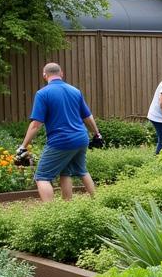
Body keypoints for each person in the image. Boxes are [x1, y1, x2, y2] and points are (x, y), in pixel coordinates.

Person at [18, 62, 102, 202]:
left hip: (61, 141)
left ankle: (51, 214)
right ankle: (95, 202)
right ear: (61, 73)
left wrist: (23, 146)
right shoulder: (75, 91)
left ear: (45, 75)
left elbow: (36, 124)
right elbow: (88, 116)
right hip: (81, 138)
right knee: (75, 170)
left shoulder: (43, 94)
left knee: (42, 177)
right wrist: (97, 134)